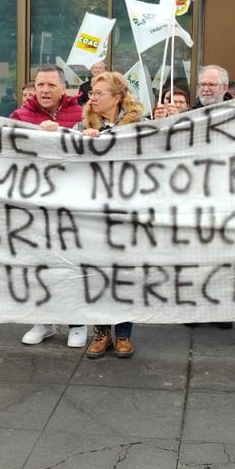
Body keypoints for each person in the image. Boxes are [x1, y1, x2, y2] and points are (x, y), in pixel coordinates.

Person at [11, 65, 87, 348]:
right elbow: (11, 153)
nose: (44, 90)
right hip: (37, 203)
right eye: (40, 84)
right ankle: (43, 321)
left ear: (63, 88)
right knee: (40, 263)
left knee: (72, 264)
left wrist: (63, 134)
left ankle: (77, 322)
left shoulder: (80, 114)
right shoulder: (20, 116)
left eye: (51, 85)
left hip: (74, 202)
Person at [81, 71, 144, 359]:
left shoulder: (139, 125)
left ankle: (123, 333)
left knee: (123, 273)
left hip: (126, 211)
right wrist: (83, 142)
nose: (92, 98)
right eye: (91, 93)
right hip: (93, 212)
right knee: (96, 274)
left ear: (116, 98)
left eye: (99, 93)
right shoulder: (83, 125)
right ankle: (101, 333)